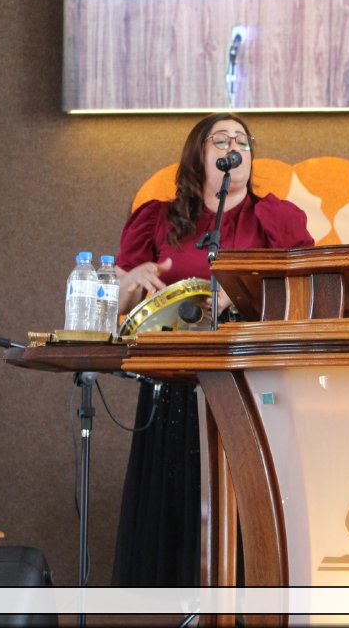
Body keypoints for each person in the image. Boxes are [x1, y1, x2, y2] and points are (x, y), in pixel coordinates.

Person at [111, 113, 314, 586]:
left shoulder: (277, 218)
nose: (233, 147)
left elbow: (306, 289)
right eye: (220, 140)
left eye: (242, 139)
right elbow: (117, 300)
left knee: (247, 493)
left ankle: (245, 600)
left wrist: (241, 293)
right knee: (175, 494)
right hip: (173, 378)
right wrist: (131, 281)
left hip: (250, 380)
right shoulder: (157, 218)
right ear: (198, 156)